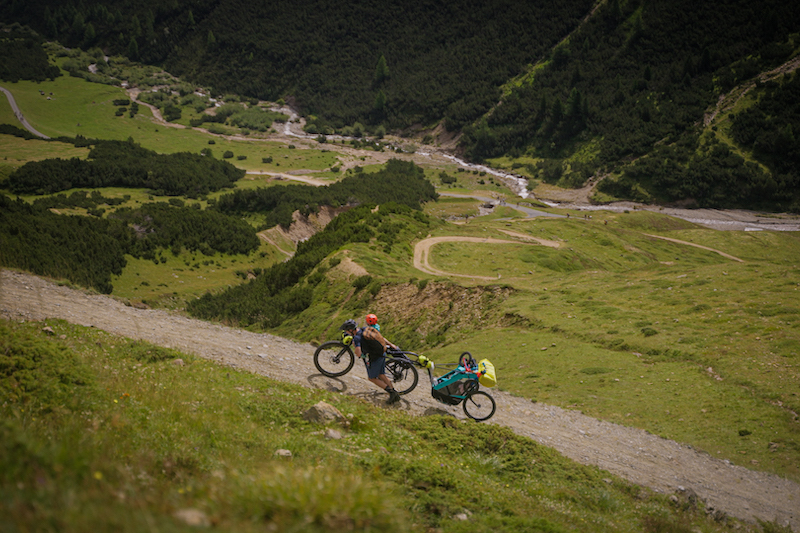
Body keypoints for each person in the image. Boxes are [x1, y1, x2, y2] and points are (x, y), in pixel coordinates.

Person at [341, 316, 400, 404]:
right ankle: (395, 394)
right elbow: (381, 337)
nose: (346, 332)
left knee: (372, 378)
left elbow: (358, 353)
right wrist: (391, 345)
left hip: (375, 357)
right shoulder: (365, 329)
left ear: (350, 330)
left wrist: (355, 345)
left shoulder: (357, 338)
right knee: (381, 375)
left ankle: (392, 393)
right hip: (382, 352)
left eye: (346, 331)